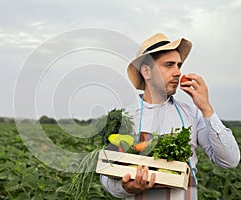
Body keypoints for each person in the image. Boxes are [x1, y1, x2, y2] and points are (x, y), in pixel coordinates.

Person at [100, 33, 240, 199]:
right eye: (169, 65)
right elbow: (107, 177)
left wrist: (206, 108)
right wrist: (127, 187)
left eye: (178, 65)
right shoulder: (124, 117)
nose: (178, 73)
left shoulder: (192, 113)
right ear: (146, 71)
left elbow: (230, 161)